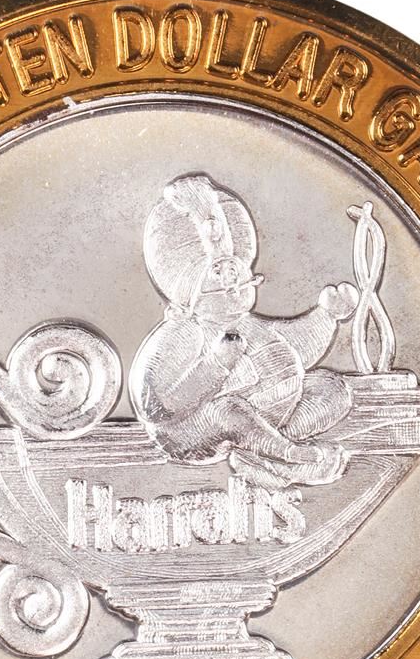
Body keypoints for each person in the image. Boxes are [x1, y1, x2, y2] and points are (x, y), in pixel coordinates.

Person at [130, 174, 359, 489]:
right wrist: (216, 364)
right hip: (194, 435)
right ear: (191, 283)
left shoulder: (249, 324)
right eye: (218, 270)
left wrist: (327, 317)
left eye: (235, 266)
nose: (232, 276)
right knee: (228, 410)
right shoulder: (184, 332)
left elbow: (296, 348)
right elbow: (155, 404)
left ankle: (261, 454)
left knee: (333, 390)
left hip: (262, 418)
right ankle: (288, 455)